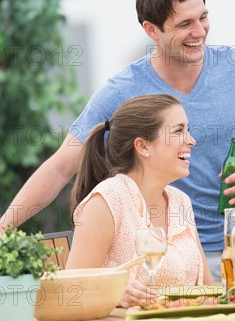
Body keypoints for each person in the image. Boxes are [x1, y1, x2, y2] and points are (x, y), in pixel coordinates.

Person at [0, 0, 235, 287]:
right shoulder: (122, 91)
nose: (200, 31)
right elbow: (63, 164)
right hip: (174, 255)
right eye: (185, 24)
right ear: (152, 30)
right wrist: (2, 226)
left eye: (203, 17)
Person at [65, 94, 213, 306]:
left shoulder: (180, 201)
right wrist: (114, 293)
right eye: (179, 131)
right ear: (143, 146)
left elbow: (207, 289)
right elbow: (70, 291)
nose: (191, 140)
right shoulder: (107, 201)